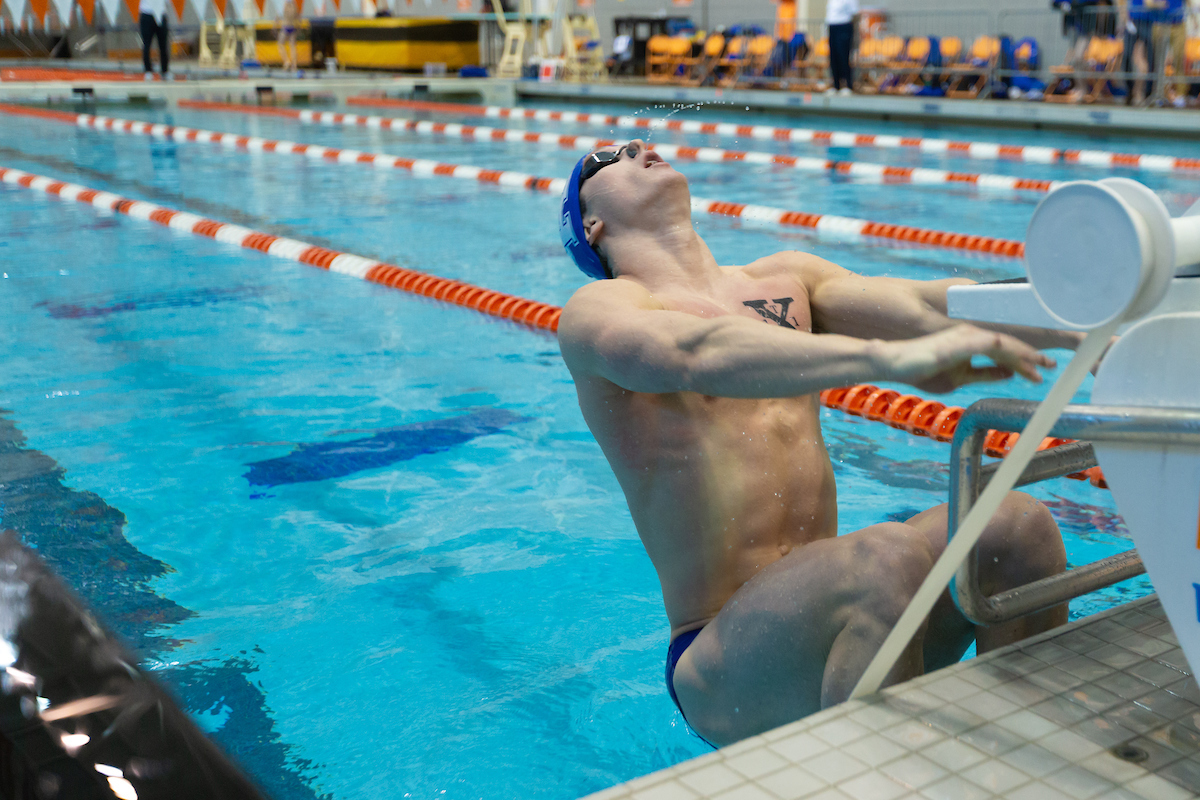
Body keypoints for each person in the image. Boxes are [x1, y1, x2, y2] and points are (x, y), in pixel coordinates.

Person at [556, 142, 1077, 747]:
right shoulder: (597, 311)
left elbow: (920, 301)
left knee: (1016, 525)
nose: (640, 147)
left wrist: (1079, 321)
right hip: (724, 655)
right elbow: (691, 353)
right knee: (885, 555)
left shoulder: (786, 279)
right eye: (608, 158)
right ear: (591, 224)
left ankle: (1018, 757)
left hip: (850, 611)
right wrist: (888, 360)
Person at [825, 0, 858, 94]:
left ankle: (848, 84)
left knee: (843, 56)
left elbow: (854, 13)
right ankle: (836, 85)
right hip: (833, 26)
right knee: (833, 57)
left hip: (844, 26)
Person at [138, 0, 170, 80]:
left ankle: (165, 71)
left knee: (163, 44)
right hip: (146, 13)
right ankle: (148, 71)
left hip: (161, 13)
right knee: (146, 44)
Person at [276, 0, 300, 72]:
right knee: (292, 46)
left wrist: (276, 22)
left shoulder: (284, 5)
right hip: (292, 27)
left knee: (280, 44)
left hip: (285, 27)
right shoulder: (294, 6)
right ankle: (294, 65)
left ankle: (286, 61)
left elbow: (279, 16)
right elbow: (298, 17)